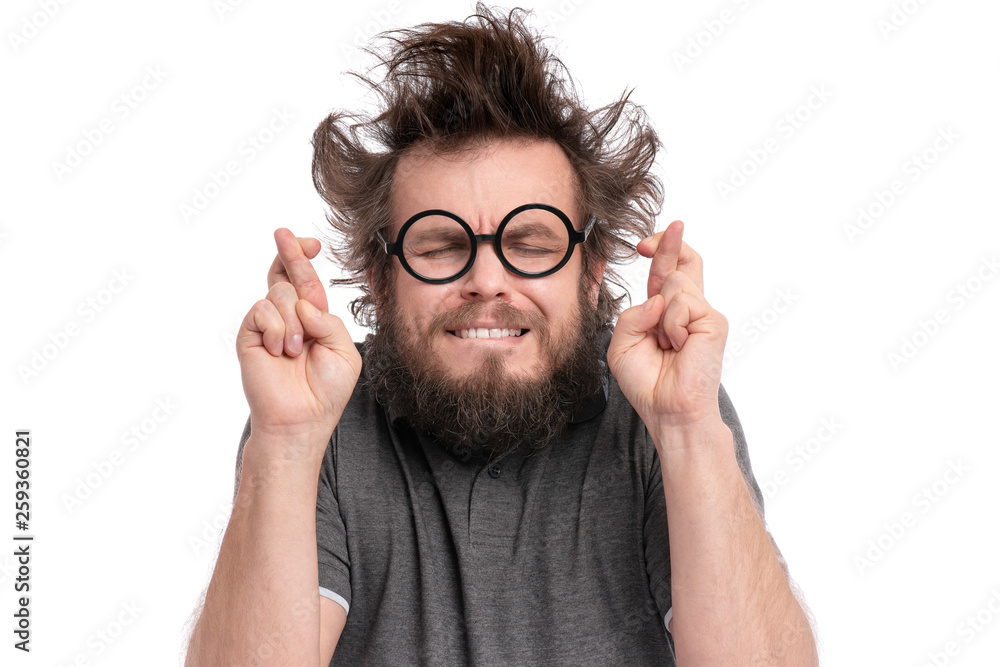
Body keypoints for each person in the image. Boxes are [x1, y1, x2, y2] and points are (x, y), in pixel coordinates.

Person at [184, 5, 818, 665]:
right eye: (440, 245)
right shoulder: (320, 411)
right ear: (378, 276)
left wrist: (688, 426)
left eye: (530, 242)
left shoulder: (661, 404)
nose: (487, 280)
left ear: (593, 271)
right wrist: (283, 443)